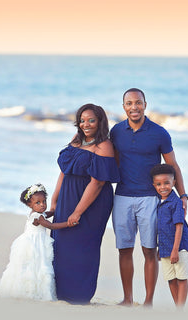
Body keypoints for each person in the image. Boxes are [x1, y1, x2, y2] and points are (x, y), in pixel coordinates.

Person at [110, 88, 188, 306]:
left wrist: (183, 195)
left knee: (149, 250)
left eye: (138, 102)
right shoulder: (116, 132)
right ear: (123, 106)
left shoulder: (159, 133)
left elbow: (173, 166)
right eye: (129, 103)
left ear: (145, 104)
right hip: (122, 196)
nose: (134, 107)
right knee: (124, 249)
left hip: (149, 199)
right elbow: (111, 162)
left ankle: (148, 301)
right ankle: (127, 298)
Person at [49, 103, 120, 304]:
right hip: (67, 196)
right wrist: (55, 200)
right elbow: (64, 171)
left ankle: (79, 295)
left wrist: (78, 211)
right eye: (82, 120)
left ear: (100, 122)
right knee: (61, 243)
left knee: (82, 246)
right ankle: (60, 292)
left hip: (92, 202)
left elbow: (97, 183)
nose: (86, 124)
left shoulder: (104, 146)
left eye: (91, 120)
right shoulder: (76, 140)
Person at [0, 184, 68, 300]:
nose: (42, 205)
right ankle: (28, 291)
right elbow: (51, 226)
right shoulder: (37, 217)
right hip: (33, 244)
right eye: (38, 203)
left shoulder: (40, 213)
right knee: (34, 266)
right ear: (30, 205)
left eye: (44, 201)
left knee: (36, 266)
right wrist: (67, 224)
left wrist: (54, 210)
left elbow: (47, 213)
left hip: (36, 242)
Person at [150, 164, 188, 308]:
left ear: (174, 183)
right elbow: (161, 229)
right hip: (166, 247)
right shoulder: (158, 202)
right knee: (170, 278)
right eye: (159, 184)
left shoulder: (176, 203)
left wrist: (175, 250)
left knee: (181, 277)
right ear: (154, 185)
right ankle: (177, 308)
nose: (163, 187)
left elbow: (179, 227)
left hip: (179, 246)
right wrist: (160, 250)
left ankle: (180, 311)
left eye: (167, 183)